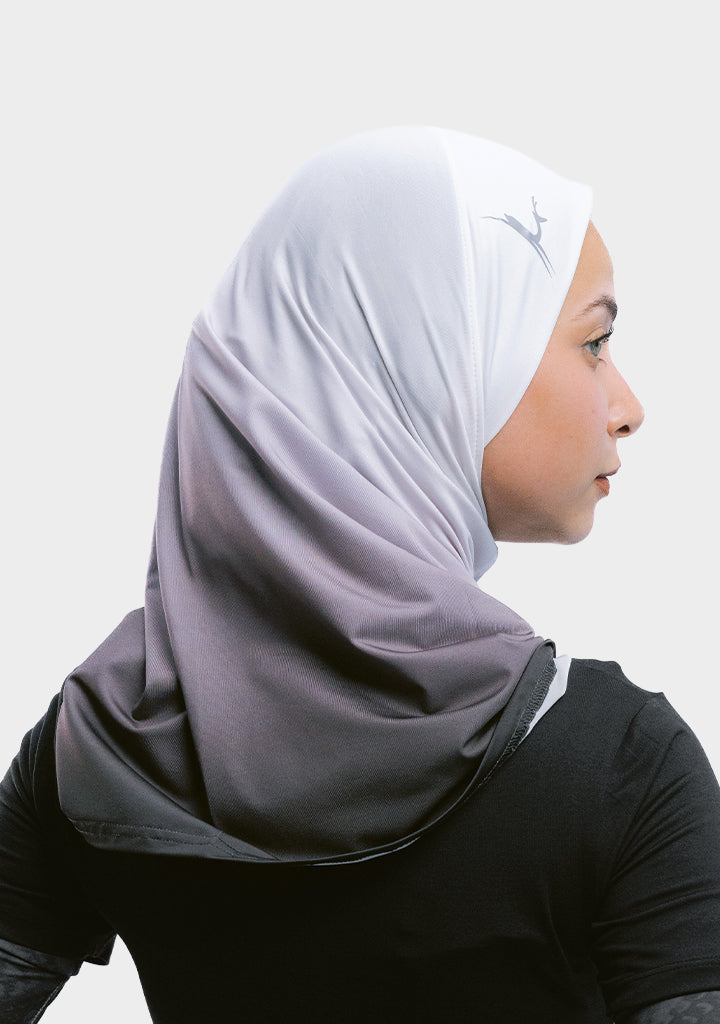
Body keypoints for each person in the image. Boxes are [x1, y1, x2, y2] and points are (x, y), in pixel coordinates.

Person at [1, 127, 719, 1023]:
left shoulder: (101, 744)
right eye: (594, 342)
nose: (628, 406)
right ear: (433, 359)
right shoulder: (617, 767)